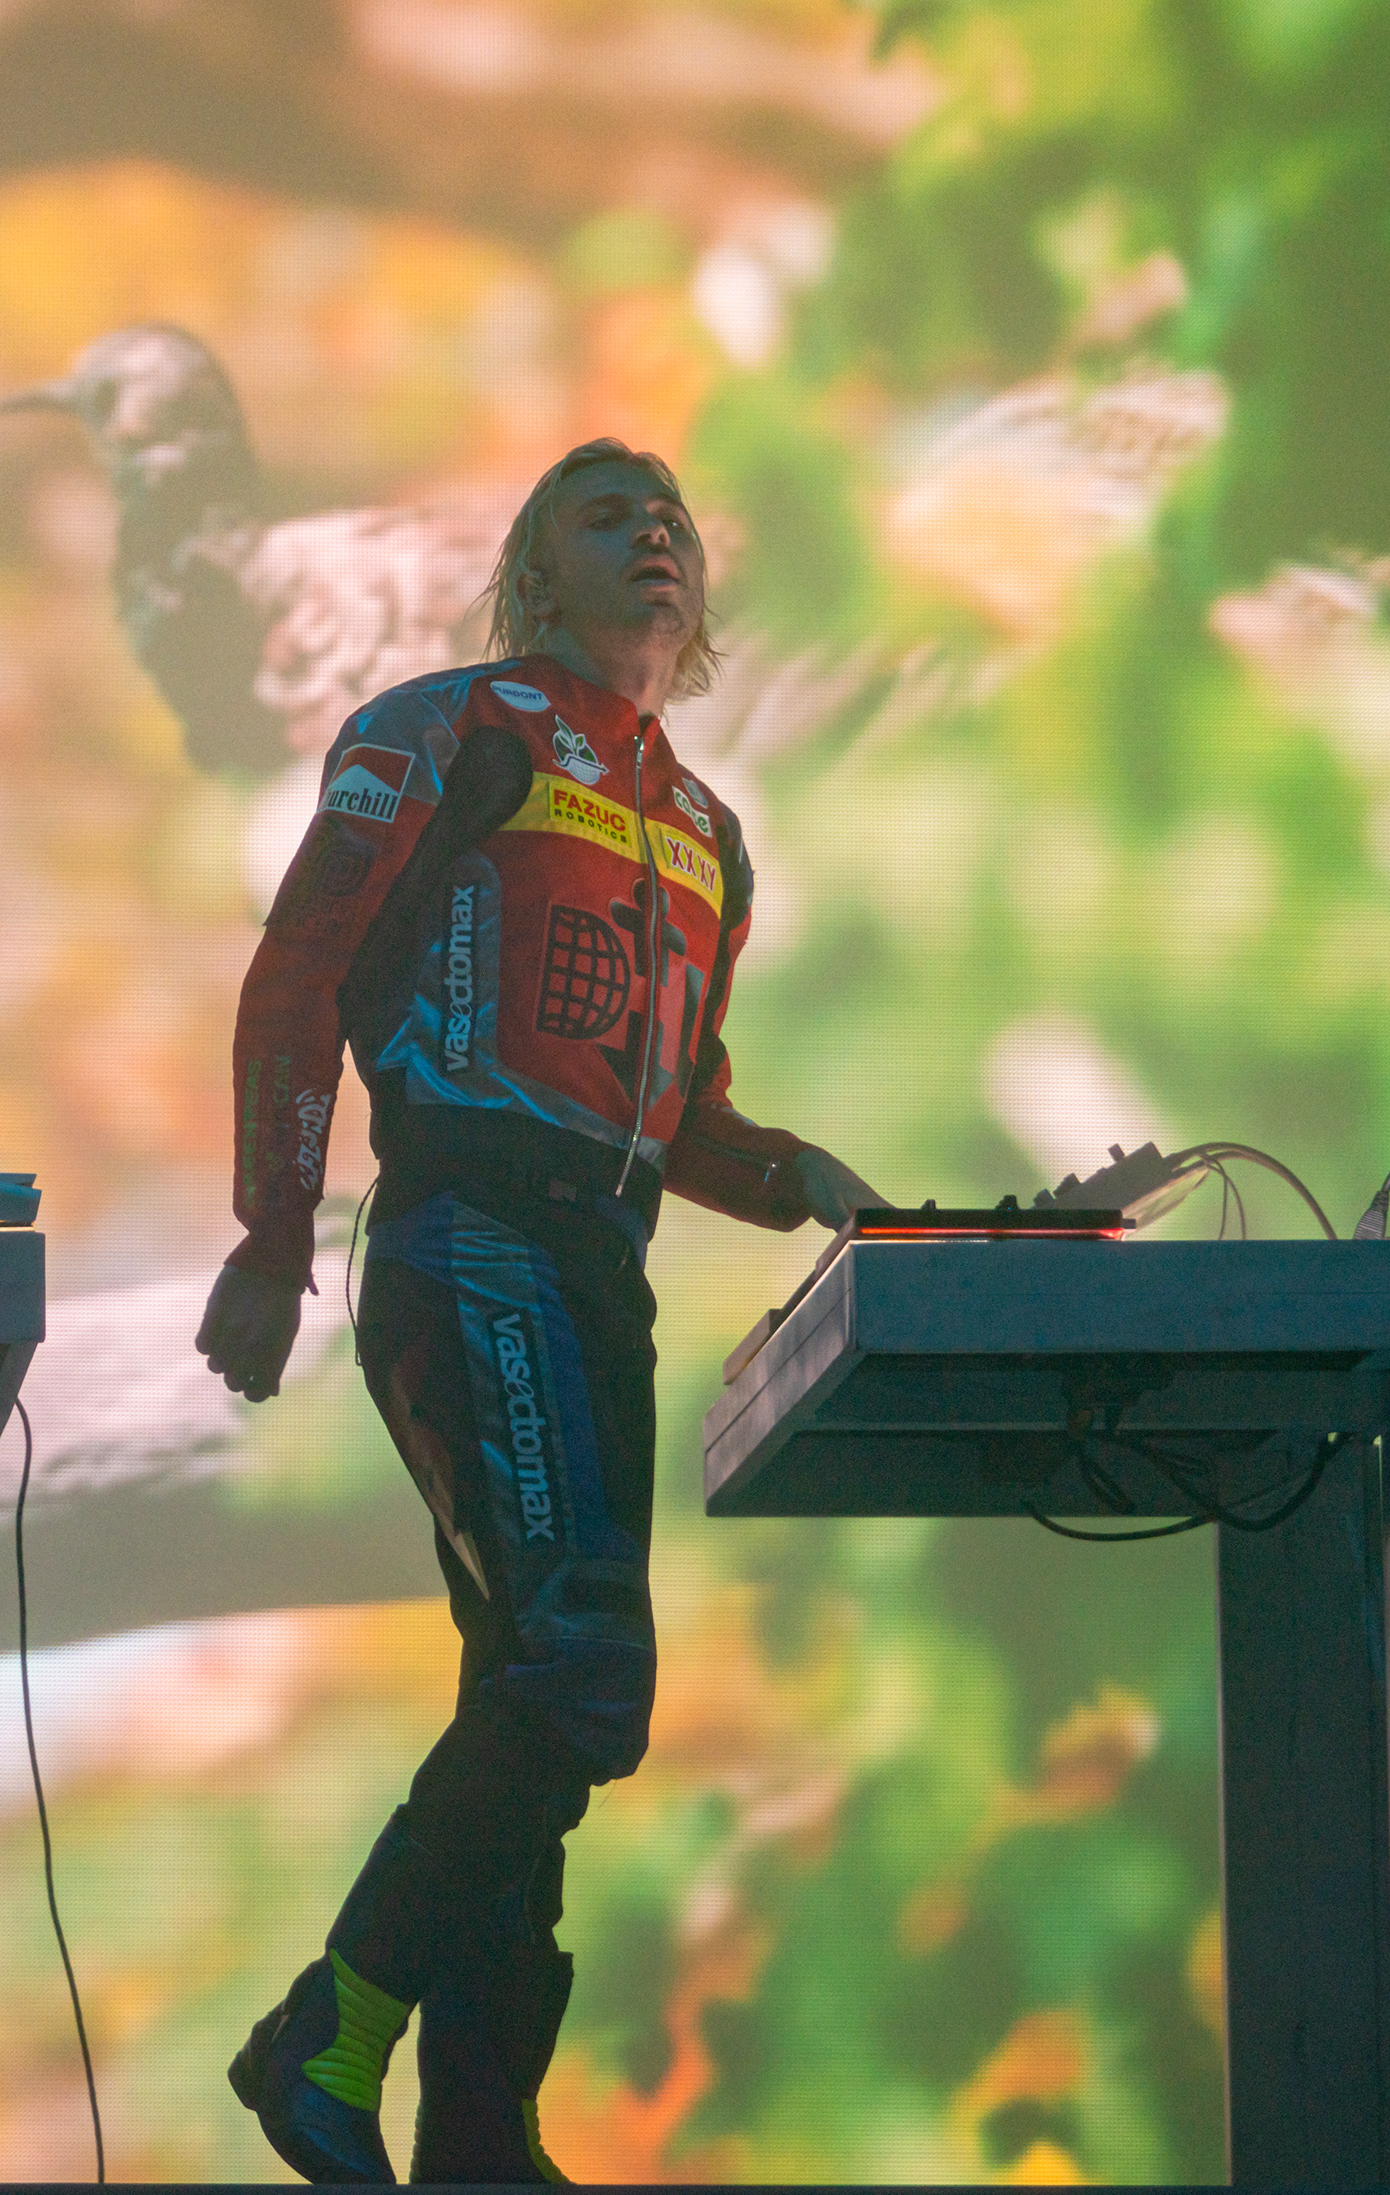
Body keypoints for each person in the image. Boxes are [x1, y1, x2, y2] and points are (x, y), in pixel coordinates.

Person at [195, 437, 887, 2183]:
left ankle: (482, 2141)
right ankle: (324, 2036)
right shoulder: (446, 728)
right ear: (531, 578)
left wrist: (809, 1177)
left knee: (529, 1685)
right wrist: (273, 1237)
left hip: (600, 1272)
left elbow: (681, 1116)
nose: (652, 533)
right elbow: (297, 973)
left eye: (673, 518)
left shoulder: (713, 835)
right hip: (468, 1231)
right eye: (604, 514)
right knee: (581, 1671)